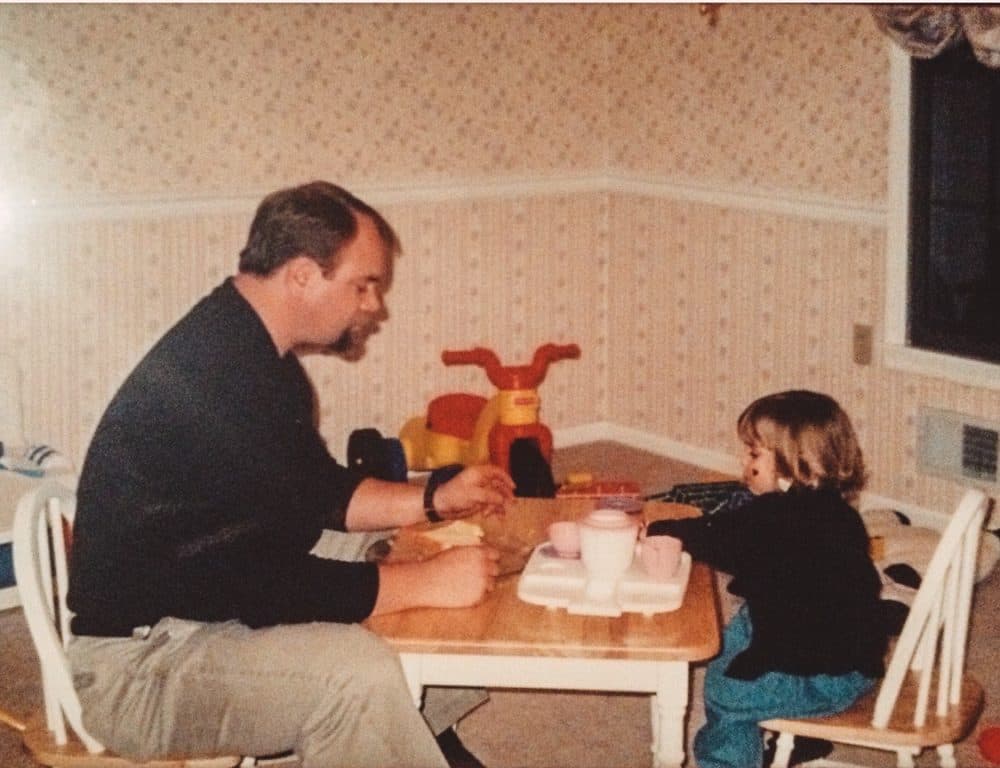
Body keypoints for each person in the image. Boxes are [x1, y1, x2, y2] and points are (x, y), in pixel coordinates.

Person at [66, 181, 515, 768]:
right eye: (363, 284)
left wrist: (436, 498)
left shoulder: (248, 352)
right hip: (142, 666)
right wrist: (423, 582)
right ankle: (384, 735)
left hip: (189, 615)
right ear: (303, 275)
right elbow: (257, 583)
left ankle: (415, 741)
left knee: (382, 550)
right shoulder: (222, 378)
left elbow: (317, 493)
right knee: (354, 674)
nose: (373, 305)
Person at [647, 390, 889, 768]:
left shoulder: (776, 519)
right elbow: (734, 531)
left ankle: (727, 761)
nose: (743, 462)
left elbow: (717, 536)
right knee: (736, 630)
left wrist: (661, 529)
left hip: (826, 674)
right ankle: (799, 735)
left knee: (726, 690)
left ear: (796, 464)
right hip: (850, 653)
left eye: (754, 454)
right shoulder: (835, 512)